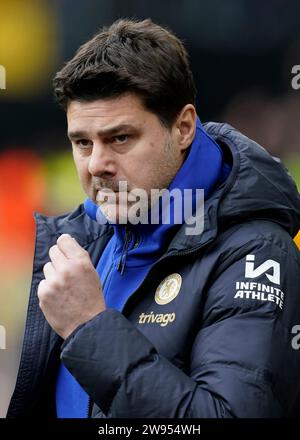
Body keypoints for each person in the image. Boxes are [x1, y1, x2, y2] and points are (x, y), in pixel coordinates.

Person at [7, 18, 300, 419]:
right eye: (82, 143)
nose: (97, 164)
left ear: (182, 128)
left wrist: (90, 328)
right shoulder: (83, 241)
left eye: (120, 138)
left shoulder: (255, 251)